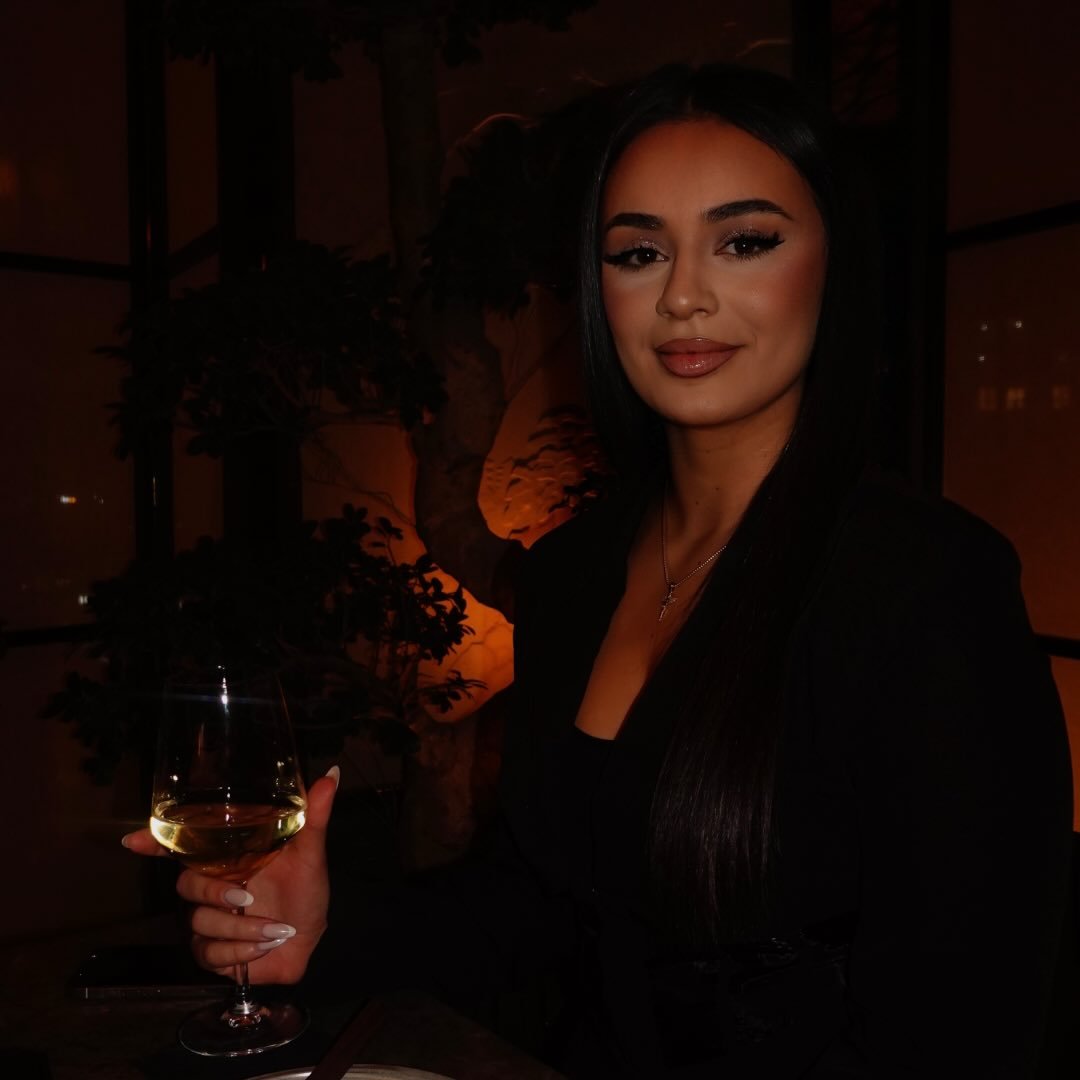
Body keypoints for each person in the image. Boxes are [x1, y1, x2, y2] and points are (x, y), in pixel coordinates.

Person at [124, 64, 1073, 1077]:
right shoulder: (574, 569)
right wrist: (320, 925)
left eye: (746, 241)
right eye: (638, 252)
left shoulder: (928, 587)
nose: (684, 296)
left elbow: (969, 1026)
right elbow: (541, 908)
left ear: (835, 267)